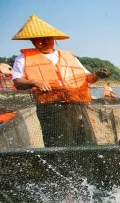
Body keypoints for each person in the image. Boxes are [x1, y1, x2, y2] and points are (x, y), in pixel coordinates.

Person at [11, 15, 110, 147]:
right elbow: (18, 82)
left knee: (87, 141)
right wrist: (34, 81)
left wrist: (97, 75)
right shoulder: (23, 58)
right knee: (59, 145)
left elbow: (87, 78)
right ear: (32, 40)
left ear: (54, 39)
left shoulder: (69, 56)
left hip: (77, 106)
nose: (45, 41)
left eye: (48, 38)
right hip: (50, 108)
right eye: (40, 38)